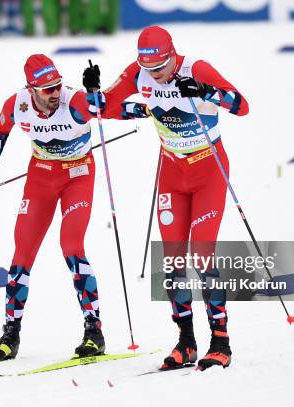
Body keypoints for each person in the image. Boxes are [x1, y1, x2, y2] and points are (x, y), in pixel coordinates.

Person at [83, 25, 249, 370]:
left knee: (202, 257)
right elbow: (102, 109)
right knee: (172, 262)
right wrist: (93, 91)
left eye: (160, 68)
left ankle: (221, 343)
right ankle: (186, 343)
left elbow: (241, 105)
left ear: (173, 55)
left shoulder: (196, 69)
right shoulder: (138, 73)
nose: (155, 77)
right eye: (148, 70)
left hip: (208, 170)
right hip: (172, 175)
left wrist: (206, 90)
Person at [0, 54, 148, 362]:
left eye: (57, 85)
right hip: (40, 177)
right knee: (22, 252)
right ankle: (10, 335)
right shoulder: (18, 105)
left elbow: (109, 110)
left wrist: (147, 109)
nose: (55, 93)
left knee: (71, 245)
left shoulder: (75, 101)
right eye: (47, 90)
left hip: (77, 176)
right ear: (31, 90)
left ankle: (94, 332)